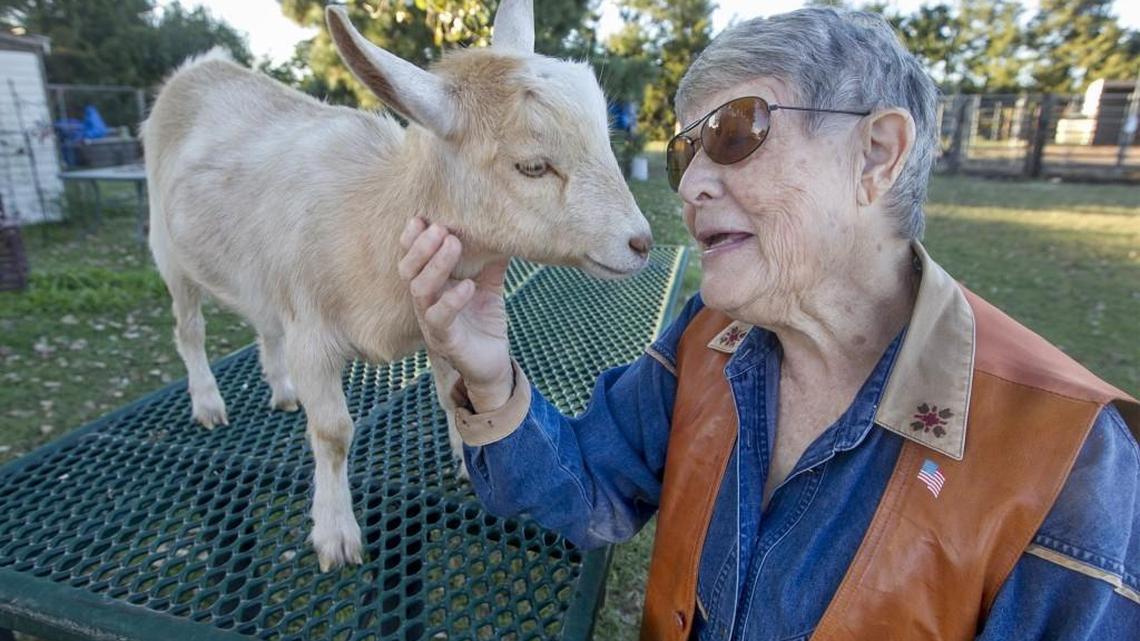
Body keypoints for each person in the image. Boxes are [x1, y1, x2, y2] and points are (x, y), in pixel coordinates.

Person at [397, 7, 1140, 640]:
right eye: (685, 148)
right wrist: (490, 379)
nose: (688, 185)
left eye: (735, 132)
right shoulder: (707, 339)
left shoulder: (1070, 463)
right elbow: (590, 493)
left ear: (875, 155)